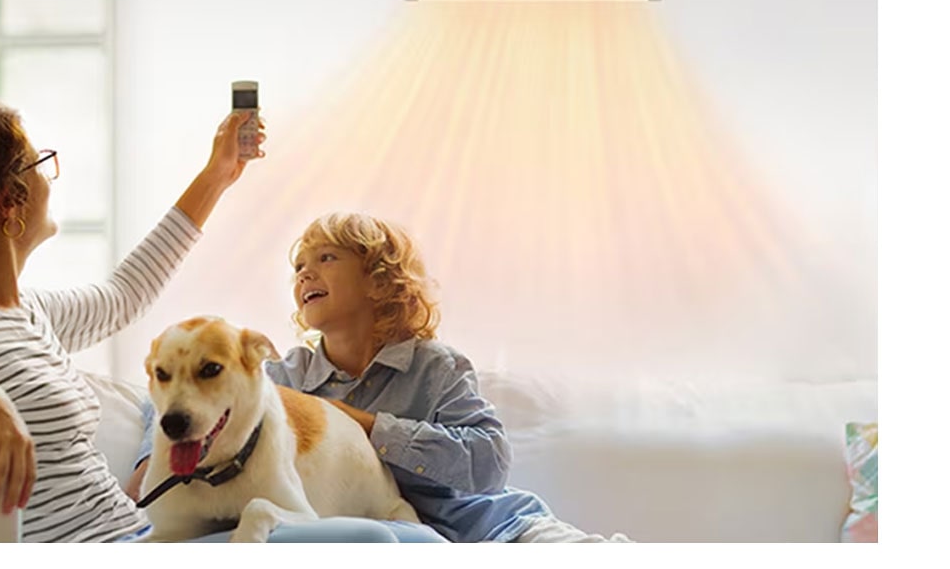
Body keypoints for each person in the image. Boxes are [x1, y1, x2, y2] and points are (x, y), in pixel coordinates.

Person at [0, 99, 400, 543]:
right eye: (40, 163)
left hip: (139, 537)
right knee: (374, 542)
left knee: (387, 539)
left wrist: (219, 173)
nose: (52, 176)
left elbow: (126, 293)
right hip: (113, 547)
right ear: (10, 200)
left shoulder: (28, 313)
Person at [130, 211, 629, 543]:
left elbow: (489, 463)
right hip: (379, 532)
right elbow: (191, 394)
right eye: (299, 267)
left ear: (379, 279)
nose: (305, 274)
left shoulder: (436, 367)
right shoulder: (287, 375)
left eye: (326, 258)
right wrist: (155, 458)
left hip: (491, 529)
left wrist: (369, 427)